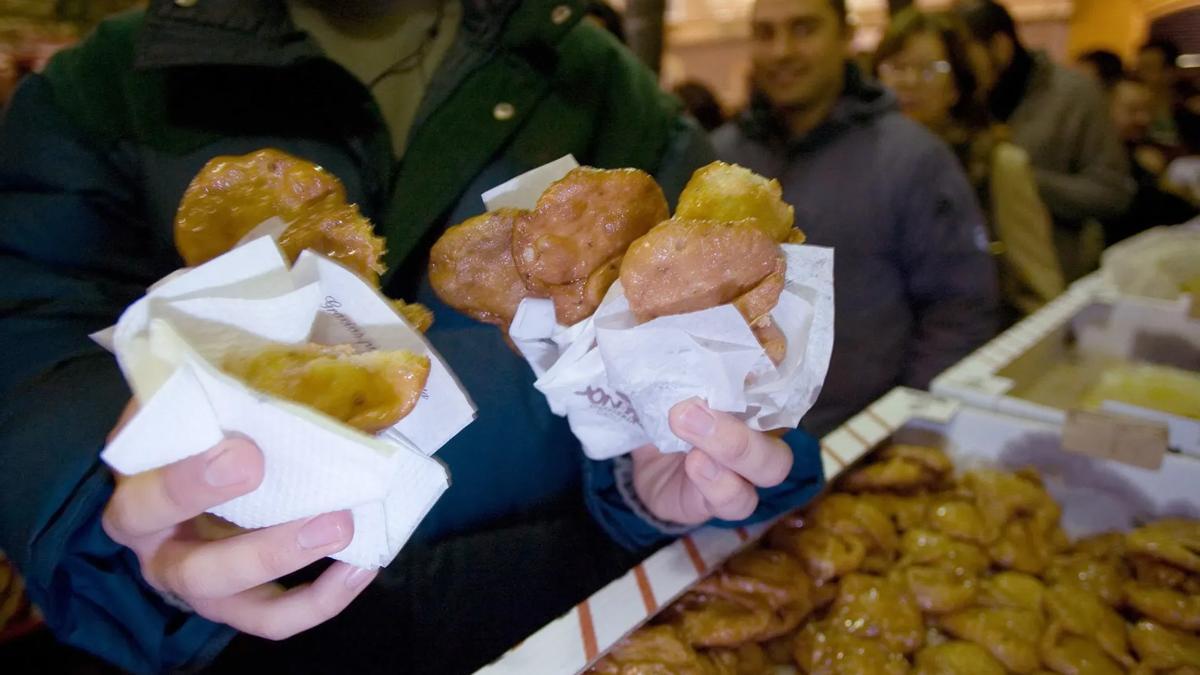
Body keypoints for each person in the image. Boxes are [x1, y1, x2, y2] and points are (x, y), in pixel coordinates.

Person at [0, 1, 828, 673]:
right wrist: (108, 522)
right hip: (220, 653)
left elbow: (732, 338)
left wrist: (651, 471)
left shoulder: (607, 90)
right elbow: (27, 343)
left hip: (562, 611)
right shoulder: (103, 92)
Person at [712, 0, 999, 437]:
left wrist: (906, 429)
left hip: (862, 444)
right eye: (765, 34)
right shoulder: (720, 161)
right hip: (730, 446)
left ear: (846, 36)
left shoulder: (911, 158)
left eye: (804, 29)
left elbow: (958, 310)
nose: (782, 50)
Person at [874, 8, 1063, 321]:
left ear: (956, 86)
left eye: (929, 69)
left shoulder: (997, 164)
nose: (908, 82)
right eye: (896, 67)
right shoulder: (866, 161)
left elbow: (1039, 288)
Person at [955, 0, 1134, 282]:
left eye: (965, 55)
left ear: (1000, 46)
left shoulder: (1074, 95)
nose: (959, 68)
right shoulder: (965, 100)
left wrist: (1017, 180)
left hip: (1054, 275)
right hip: (979, 281)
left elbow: (1111, 193)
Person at [1107, 73, 1197, 242]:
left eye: (1148, 110)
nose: (1143, 119)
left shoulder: (1158, 152)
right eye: (1133, 110)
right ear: (1105, 108)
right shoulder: (1100, 159)